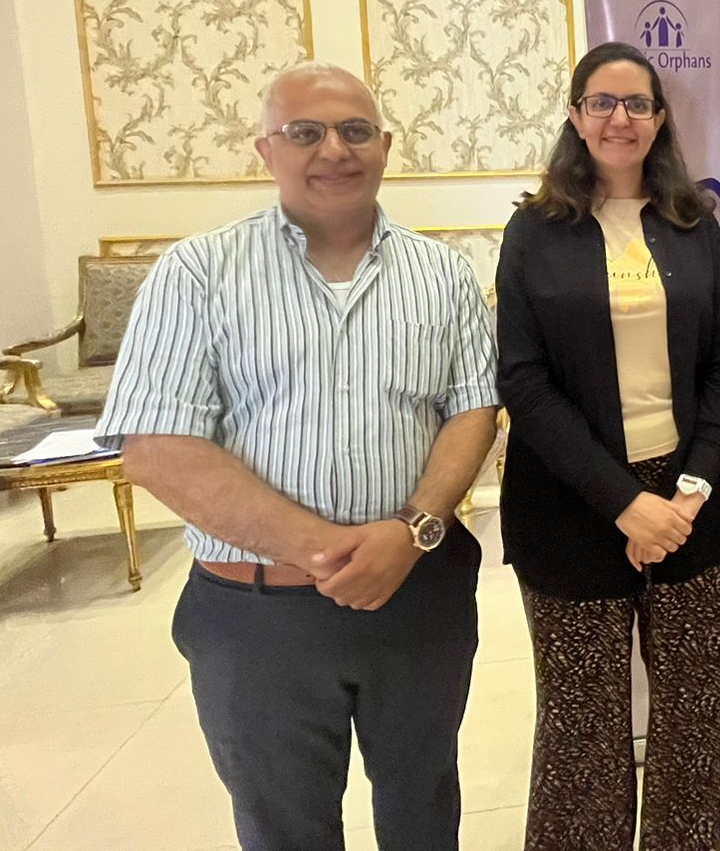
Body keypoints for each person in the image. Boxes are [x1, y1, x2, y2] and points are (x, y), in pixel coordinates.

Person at [97, 63, 500, 851]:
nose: (334, 150)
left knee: (424, 814)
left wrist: (411, 531)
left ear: (386, 145)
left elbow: (472, 411)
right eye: (305, 133)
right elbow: (157, 447)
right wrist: (328, 552)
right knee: (285, 829)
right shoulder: (198, 273)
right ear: (266, 150)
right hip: (258, 619)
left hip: (418, 600)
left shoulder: (443, 275)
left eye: (355, 131)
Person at [495, 41, 720, 851]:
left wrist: (690, 490)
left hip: (692, 501)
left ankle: (688, 838)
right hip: (572, 502)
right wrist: (624, 503)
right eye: (601, 102)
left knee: (696, 700)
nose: (619, 118)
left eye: (636, 103)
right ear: (575, 116)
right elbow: (523, 379)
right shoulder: (534, 231)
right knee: (582, 711)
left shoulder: (691, 222)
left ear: (659, 118)